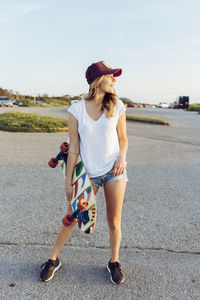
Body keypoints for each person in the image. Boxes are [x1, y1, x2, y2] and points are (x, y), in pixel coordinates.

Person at [40, 61, 128, 285]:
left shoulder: (117, 105)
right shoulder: (76, 109)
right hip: (87, 174)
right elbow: (74, 149)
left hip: (114, 171)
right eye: (110, 76)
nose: (114, 80)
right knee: (70, 217)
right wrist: (69, 181)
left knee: (114, 222)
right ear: (98, 81)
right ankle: (52, 259)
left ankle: (114, 261)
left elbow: (123, 139)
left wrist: (121, 157)